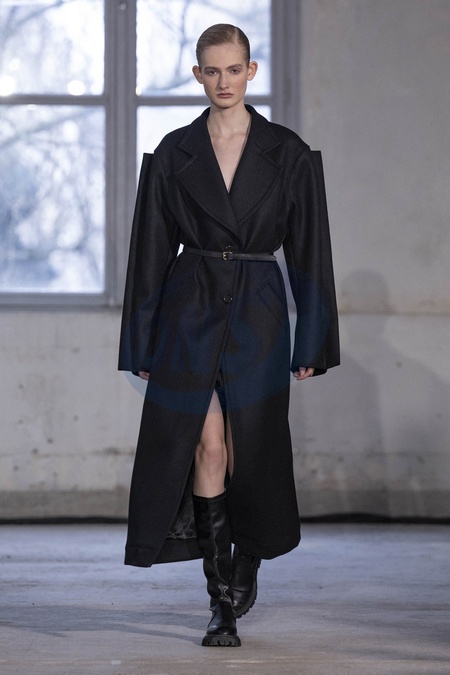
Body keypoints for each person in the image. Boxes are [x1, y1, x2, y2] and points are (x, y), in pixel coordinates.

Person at [119, 24, 339, 648]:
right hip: (189, 312)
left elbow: (311, 251)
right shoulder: (174, 152)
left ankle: (249, 558)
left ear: (251, 71)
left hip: (258, 313)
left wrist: (313, 341)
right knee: (207, 444)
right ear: (197, 75)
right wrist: (140, 342)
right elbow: (149, 253)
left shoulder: (288, 153)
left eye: (234, 69)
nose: (224, 82)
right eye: (212, 71)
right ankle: (221, 602)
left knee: (251, 449)